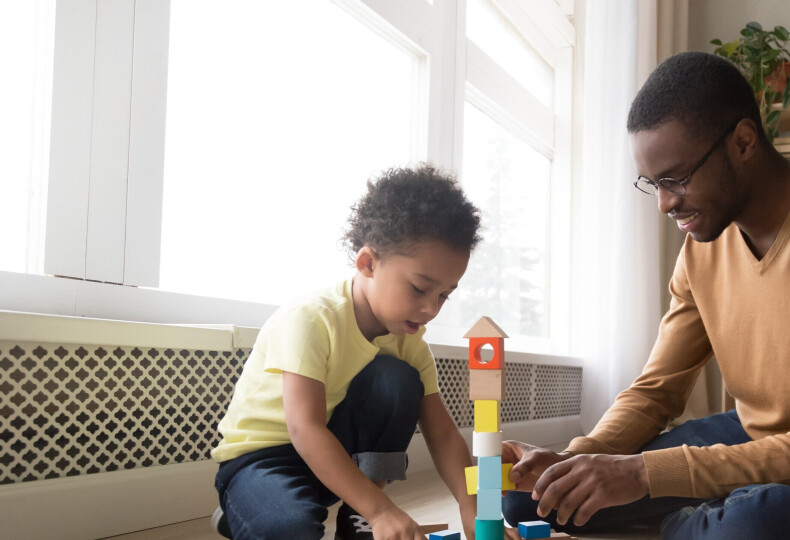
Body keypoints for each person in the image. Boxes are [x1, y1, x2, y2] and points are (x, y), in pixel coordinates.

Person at [500, 51, 790, 539]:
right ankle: (704, 512)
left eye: (675, 179)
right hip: (744, 433)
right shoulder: (701, 253)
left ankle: (703, 515)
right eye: (652, 184)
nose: (664, 204)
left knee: (750, 525)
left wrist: (642, 475)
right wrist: (579, 455)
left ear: (743, 142)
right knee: (530, 496)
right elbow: (657, 389)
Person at [210, 165, 482, 540]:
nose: (431, 309)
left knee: (400, 379)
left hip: (331, 457)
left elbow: (443, 435)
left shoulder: (410, 344)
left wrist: (473, 510)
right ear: (368, 263)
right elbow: (303, 429)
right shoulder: (312, 319)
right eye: (420, 289)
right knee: (287, 529)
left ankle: (359, 518)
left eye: (444, 296)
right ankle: (245, 509)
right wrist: (385, 511)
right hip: (260, 459)